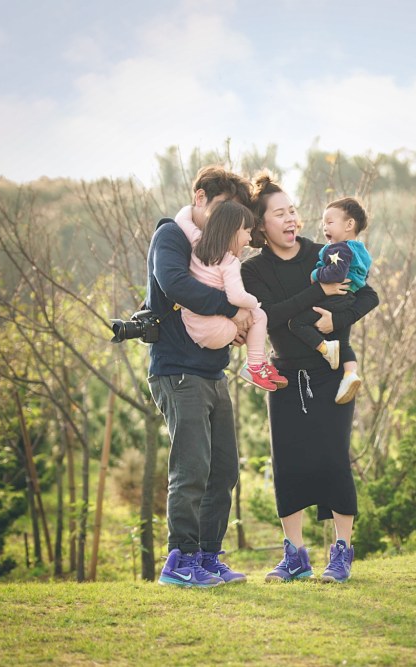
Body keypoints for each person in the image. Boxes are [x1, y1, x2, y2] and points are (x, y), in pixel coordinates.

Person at [241, 172, 380, 584]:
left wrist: (334, 319)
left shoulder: (327, 253)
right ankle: (295, 556)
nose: (291, 220)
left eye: (293, 211)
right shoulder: (254, 271)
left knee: (333, 458)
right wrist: (319, 292)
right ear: (261, 225)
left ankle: (341, 552)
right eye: (279, 214)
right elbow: (270, 316)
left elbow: (368, 296)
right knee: (288, 464)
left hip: (332, 374)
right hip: (284, 376)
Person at [146, 166, 253, 588]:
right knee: (191, 468)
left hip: (212, 370)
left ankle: (207, 557)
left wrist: (236, 327)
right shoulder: (170, 235)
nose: (230, 221)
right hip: (177, 370)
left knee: (223, 470)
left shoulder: (220, 251)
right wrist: (232, 310)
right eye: (225, 208)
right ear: (201, 196)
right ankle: (180, 559)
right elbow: (173, 283)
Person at [174, 199, 288, 391]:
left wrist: (191, 206)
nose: (249, 238)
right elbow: (236, 297)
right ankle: (255, 365)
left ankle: (256, 364)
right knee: (259, 315)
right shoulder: (229, 262)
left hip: (193, 325)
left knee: (250, 317)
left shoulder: (197, 241)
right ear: (234, 230)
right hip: (218, 330)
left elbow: (181, 219)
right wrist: (254, 302)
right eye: (247, 231)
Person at [288, 197, 372, 404]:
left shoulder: (340, 249)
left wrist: (316, 275)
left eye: (329, 222)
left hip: (335, 298)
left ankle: (325, 348)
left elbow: (336, 273)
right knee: (344, 341)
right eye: (323, 223)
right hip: (348, 297)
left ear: (349, 224)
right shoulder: (359, 249)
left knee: (296, 323)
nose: (324, 227)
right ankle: (350, 374)